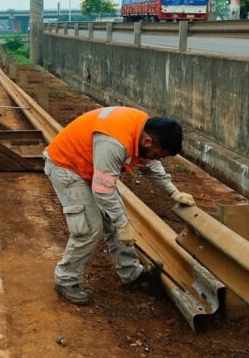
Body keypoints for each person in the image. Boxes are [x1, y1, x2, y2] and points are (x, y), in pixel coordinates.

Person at [43, 106, 195, 305]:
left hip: (92, 166)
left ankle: (131, 274)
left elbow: (150, 163)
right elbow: (103, 189)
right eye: (157, 154)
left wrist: (173, 191)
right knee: (90, 228)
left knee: (116, 217)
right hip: (67, 167)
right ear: (148, 141)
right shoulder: (114, 141)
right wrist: (122, 224)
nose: (156, 159)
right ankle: (66, 280)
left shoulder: (144, 128)